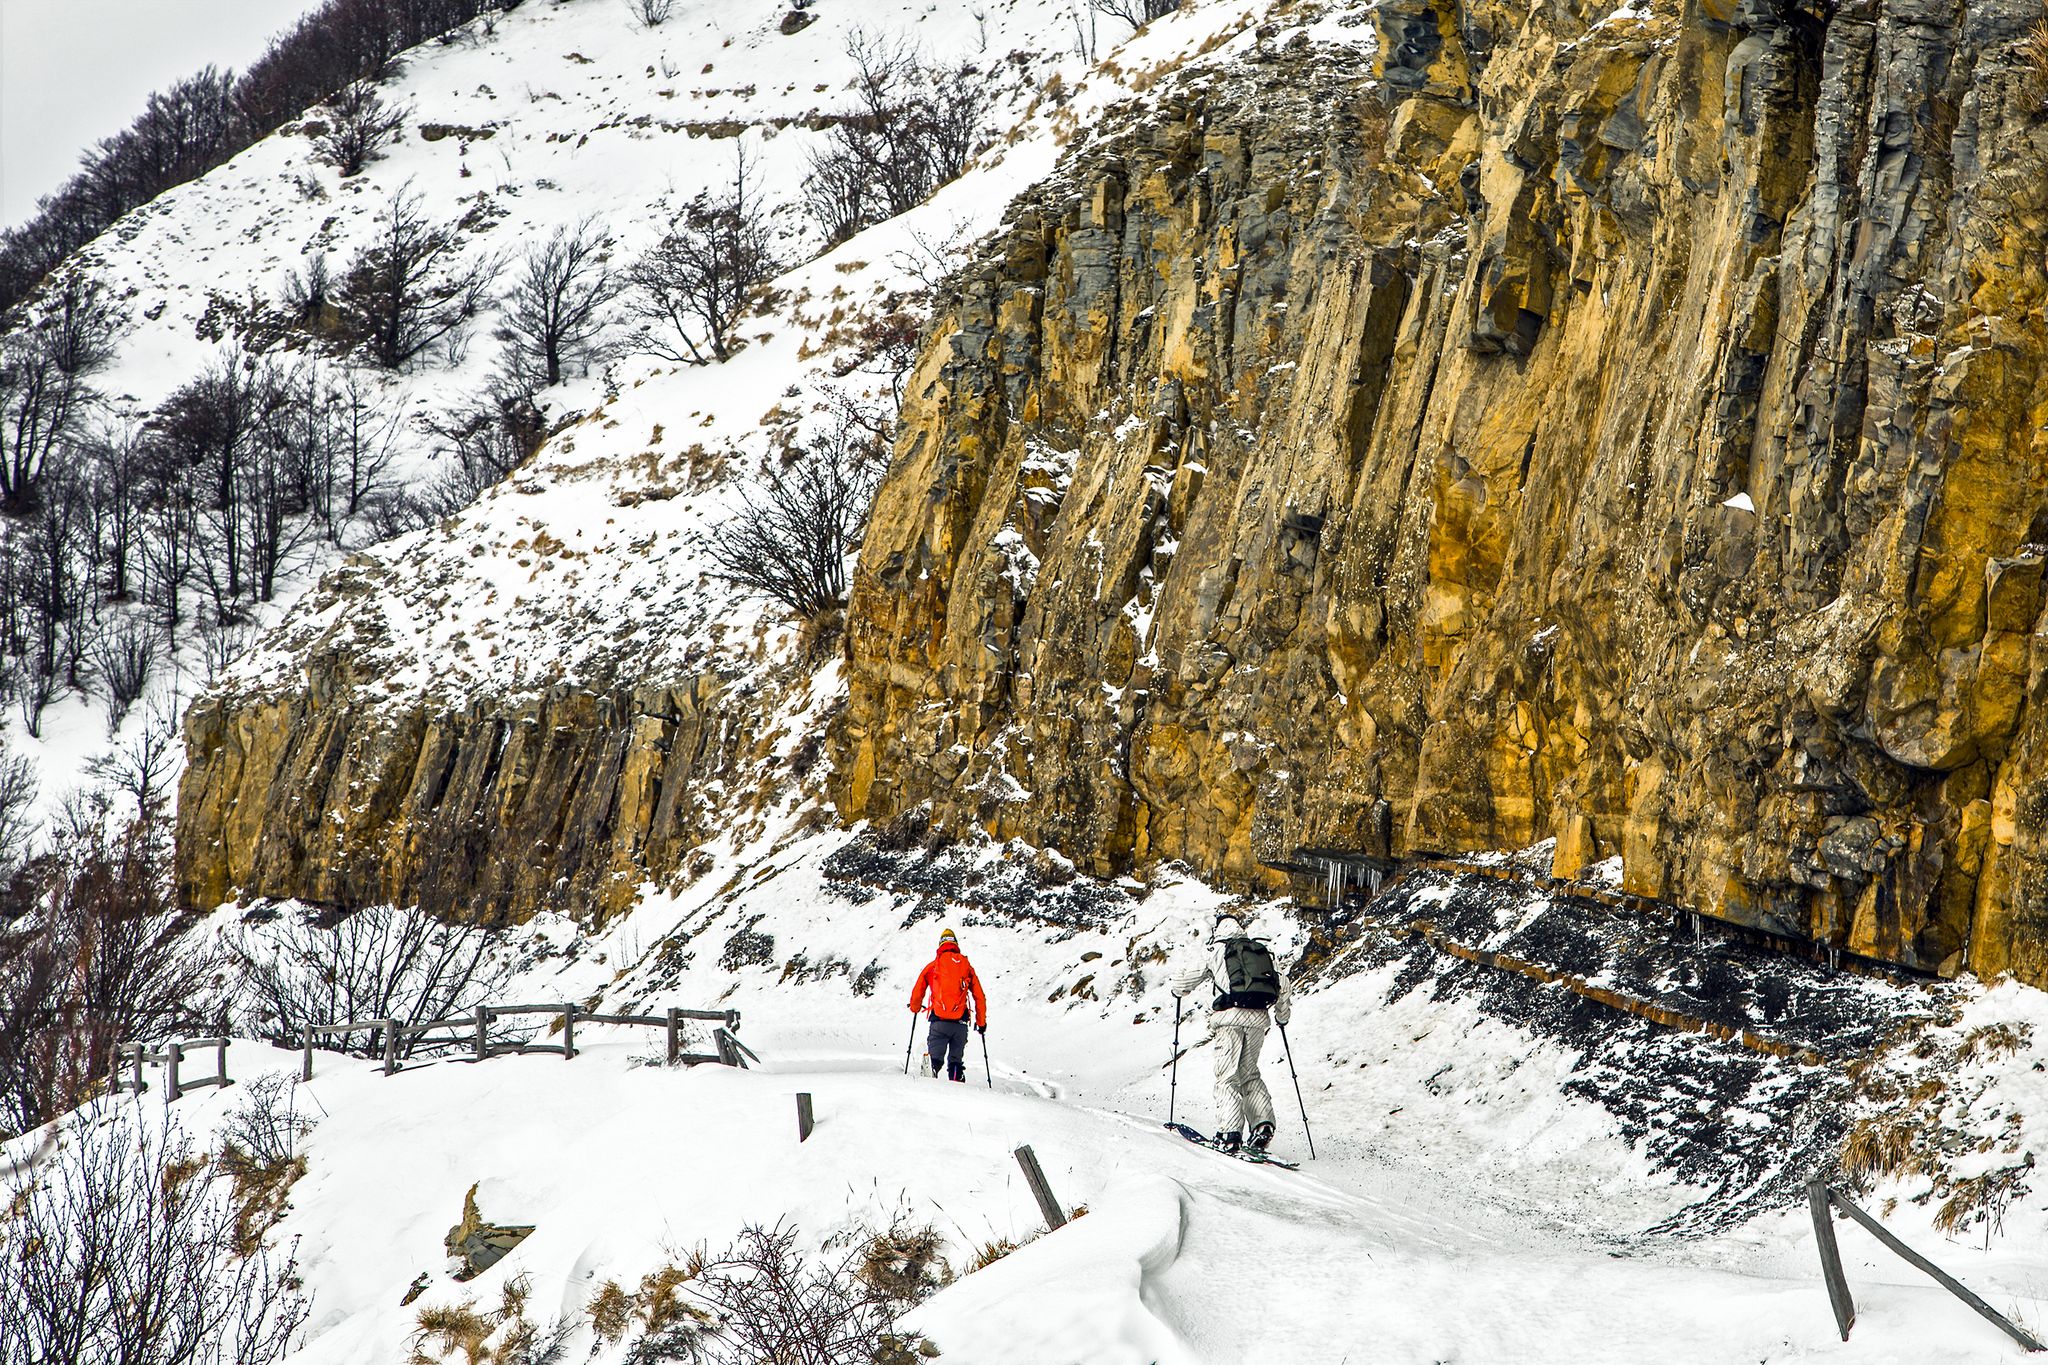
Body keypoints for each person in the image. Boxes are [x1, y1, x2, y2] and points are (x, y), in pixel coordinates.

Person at [1170, 913, 1291, 1154]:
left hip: (1229, 1020)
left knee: (1227, 1077)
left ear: (1219, 930)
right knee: (1249, 1074)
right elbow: (1283, 984)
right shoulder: (1260, 952)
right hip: (1258, 1019)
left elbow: (1184, 981)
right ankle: (1262, 1125)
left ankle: (1229, 1133)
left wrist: (1176, 991)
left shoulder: (1216, 951)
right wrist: (1282, 1017)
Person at [908, 928, 987, 1082]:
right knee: (956, 1061)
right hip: (960, 1023)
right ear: (956, 944)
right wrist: (981, 1023)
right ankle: (956, 1081)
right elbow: (979, 997)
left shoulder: (933, 966)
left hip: (939, 1022)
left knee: (935, 1058)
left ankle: (932, 1071)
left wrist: (915, 1007)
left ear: (940, 944)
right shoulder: (967, 967)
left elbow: (918, 991)